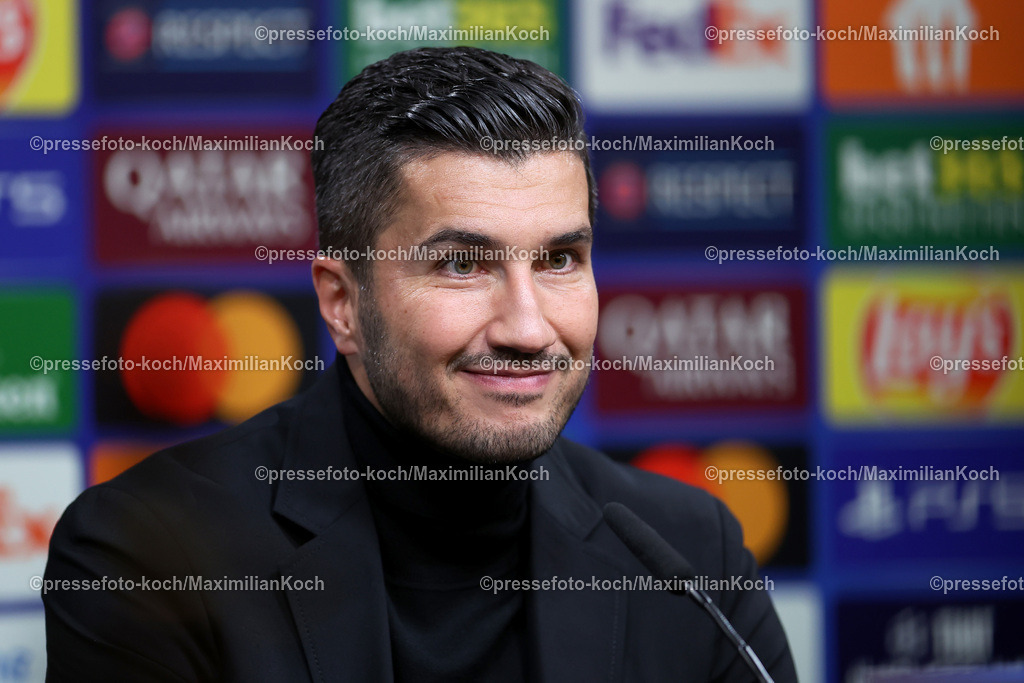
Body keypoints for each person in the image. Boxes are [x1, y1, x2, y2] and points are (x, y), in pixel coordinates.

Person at [43, 47, 797, 682]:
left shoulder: (691, 556)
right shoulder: (144, 552)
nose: (530, 328)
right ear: (342, 302)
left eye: (561, 259)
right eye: (464, 265)